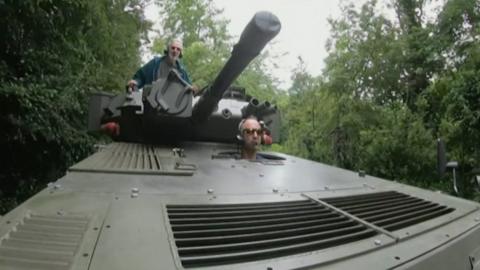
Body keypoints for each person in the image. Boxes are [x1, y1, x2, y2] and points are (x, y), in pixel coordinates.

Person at [127, 38, 198, 93]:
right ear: (168, 49)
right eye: (173, 48)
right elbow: (140, 77)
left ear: (180, 53)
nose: (175, 51)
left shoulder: (182, 71)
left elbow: (189, 88)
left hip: (173, 108)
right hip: (151, 103)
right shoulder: (155, 63)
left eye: (178, 49)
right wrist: (135, 82)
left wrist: (193, 90)